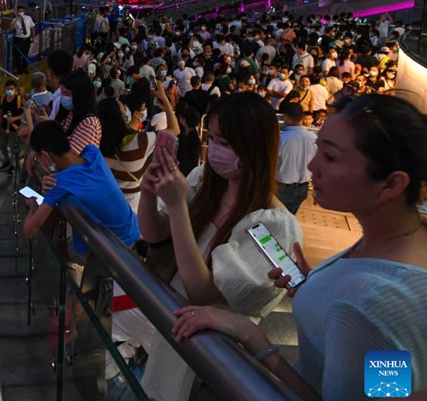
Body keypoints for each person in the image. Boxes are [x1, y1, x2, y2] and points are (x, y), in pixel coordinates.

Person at [171, 94, 427, 401]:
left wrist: (253, 337)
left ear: (390, 185)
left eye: (330, 157)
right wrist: (319, 285)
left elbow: (380, 391)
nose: (311, 165)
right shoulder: (394, 246)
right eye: (319, 148)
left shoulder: (371, 304)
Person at [133, 92, 302, 401]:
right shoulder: (202, 181)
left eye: (225, 143)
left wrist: (177, 207)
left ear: (253, 147)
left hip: (215, 359)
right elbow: (154, 234)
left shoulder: (275, 225)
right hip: (173, 329)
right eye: (213, 138)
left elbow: (202, 291)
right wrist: (148, 191)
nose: (215, 150)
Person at [23, 121, 140, 263]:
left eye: (37, 158)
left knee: (64, 251)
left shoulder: (59, 184)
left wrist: (33, 206)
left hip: (112, 253)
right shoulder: (93, 153)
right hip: (135, 231)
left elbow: (29, 230)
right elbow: (75, 170)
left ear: (46, 156)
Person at [277, 103, 318, 215]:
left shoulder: (281, 139)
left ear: (286, 117)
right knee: (289, 218)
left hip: (282, 187)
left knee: (275, 220)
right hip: (303, 188)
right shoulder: (314, 138)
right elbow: (318, 167)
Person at [0, 79, 23, 173]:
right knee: (2, 146)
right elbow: (1, 111)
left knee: (13, 148)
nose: (9, 91)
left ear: (15, 89)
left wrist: (15, 119)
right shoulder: (2, 98)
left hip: (14, 129)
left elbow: (24, 114)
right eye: (7, 89)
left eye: (11, 89)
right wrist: (0, 124)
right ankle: (6, 161)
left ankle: (12, 165)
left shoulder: (18, 100)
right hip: (3, 127)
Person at [10, 5, 36, 75]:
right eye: (19, 11)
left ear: (24, 11)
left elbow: (32, 27)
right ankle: (19, 69)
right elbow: (12, 27)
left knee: (25, 54)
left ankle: (24, 67)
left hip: (27, 39)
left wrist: (33, 37)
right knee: (18, 55)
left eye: (22, 11)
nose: (21, 12)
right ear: (17, 12)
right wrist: (15, 18)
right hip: (19, 40)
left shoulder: (28, 18)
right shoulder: (15, 19)